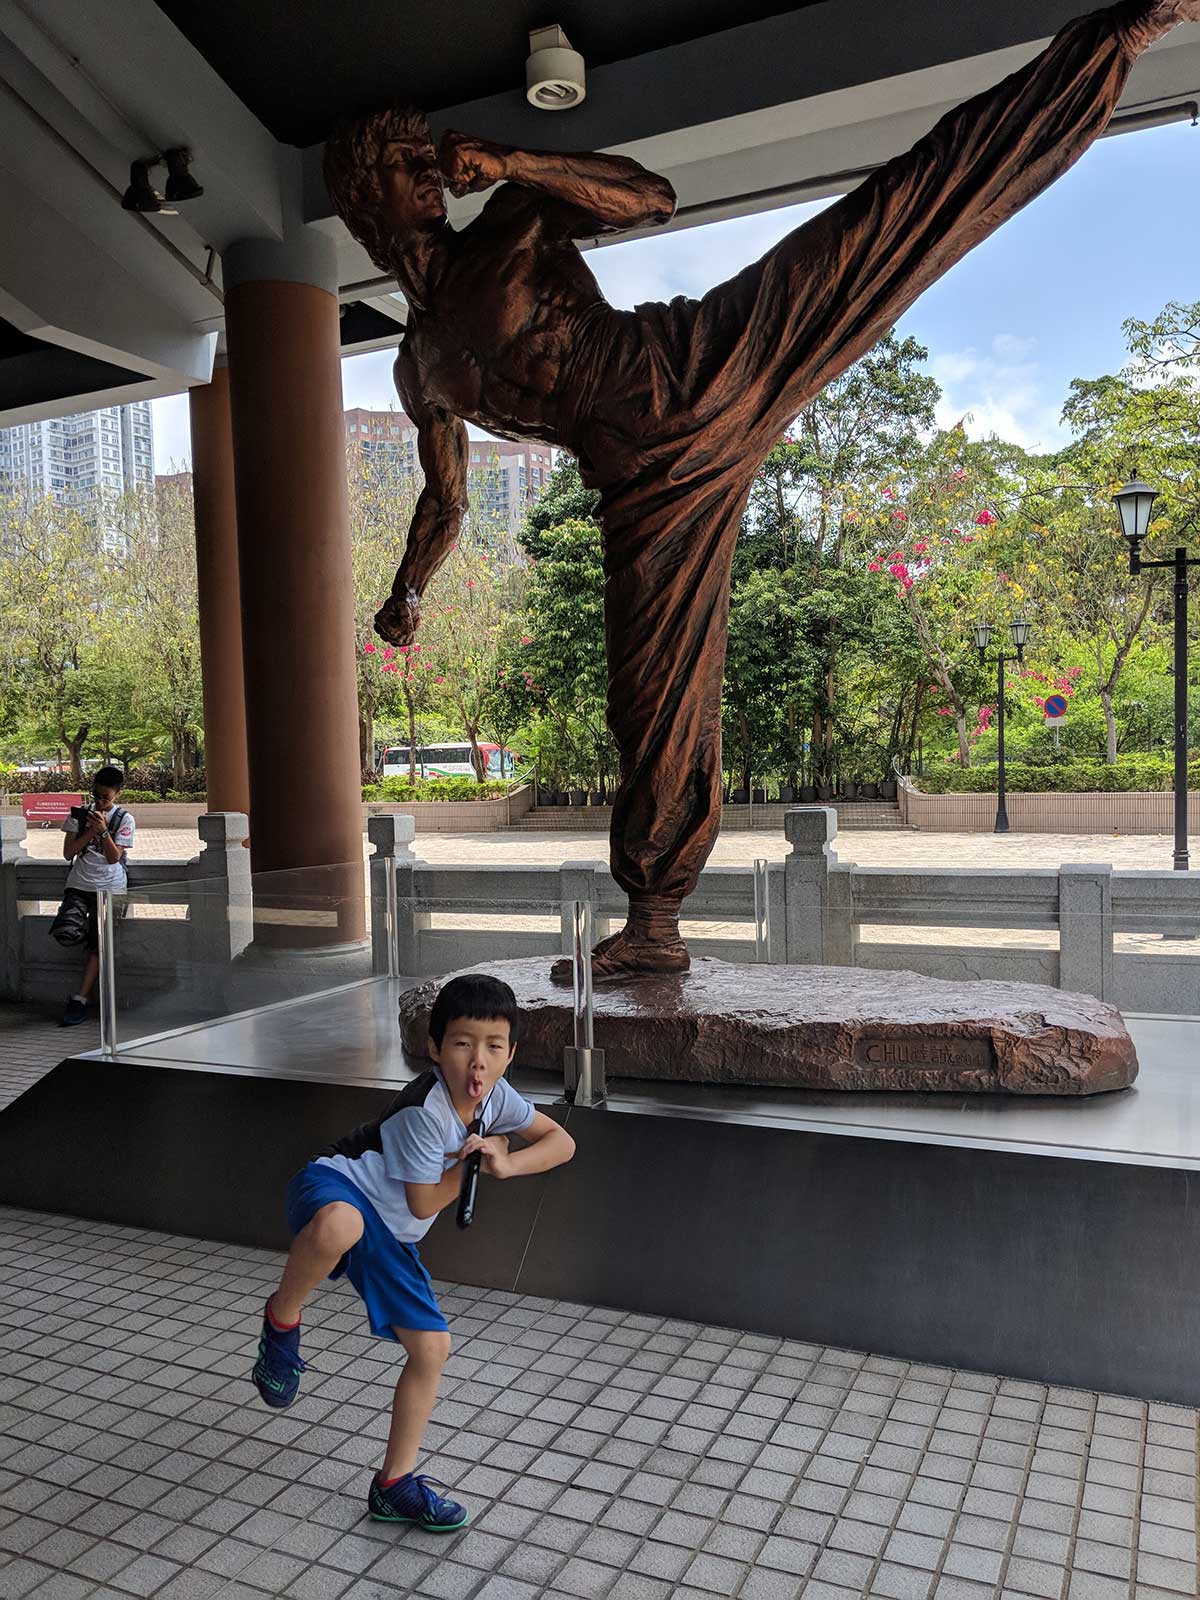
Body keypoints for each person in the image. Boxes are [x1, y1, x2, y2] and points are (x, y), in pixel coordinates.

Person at [323, 0, 1200, 982]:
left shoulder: (512, 223)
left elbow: (648, 195)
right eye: (407, 169)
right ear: (367, 205)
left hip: (699, 363)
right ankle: (653, 923)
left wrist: (518, 160)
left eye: (426, 159)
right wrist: (409, 590)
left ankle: (1112, 44)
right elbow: (448, 498)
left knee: (893, 220)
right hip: (642, 488)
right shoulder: (419, 367)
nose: (430, 177)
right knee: (650, 704)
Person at [251, 972, 576, 1531]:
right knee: (340, 1226)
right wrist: (473, 1163)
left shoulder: (498, 1099)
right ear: (434, 1047)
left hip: (391, 1234)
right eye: (462, 1044)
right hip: (340, 1185)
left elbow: (561, 1143)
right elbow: (425, 1202)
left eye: (494, 1047)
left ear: (510, 1053)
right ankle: (282, 1323)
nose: (478, 1062)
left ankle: (393, 1486)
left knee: (432, 1349)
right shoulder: (423, 1110)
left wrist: (504, 1161)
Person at [57, 766, 135, 1026]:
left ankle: (80, 997)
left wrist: (103, 832)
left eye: (106, 797)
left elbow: (114, 857)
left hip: (111, 886)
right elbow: (69, 853)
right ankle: (86, 994)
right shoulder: (79, 816)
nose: (100, 801)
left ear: (117, 794)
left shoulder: (125, 819)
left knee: (99, 945)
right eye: (96, 795)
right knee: (66, 931)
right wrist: (90, 830)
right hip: (79, 884)